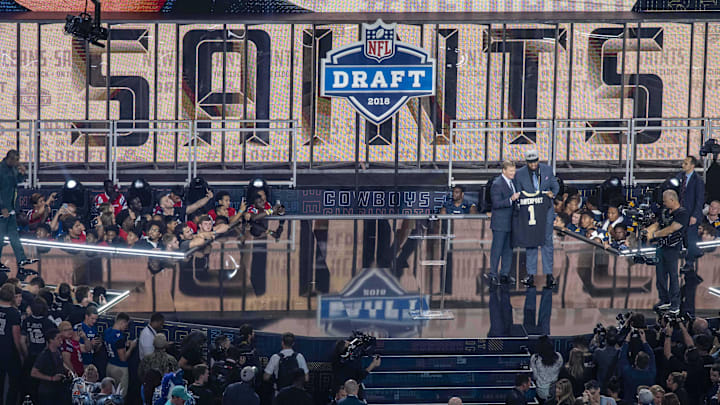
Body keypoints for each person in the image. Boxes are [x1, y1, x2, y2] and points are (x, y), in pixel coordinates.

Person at [514, 149, 560, 288]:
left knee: (547, 242)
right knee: (531, 242)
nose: (533, 164)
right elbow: (517, 192)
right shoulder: (520, 174)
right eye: (530, 162)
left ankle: (549, 274)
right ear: (526, 162)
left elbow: (555, 185)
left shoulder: (547, 170)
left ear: (539, 160)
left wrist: (553, 193)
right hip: (531, 213)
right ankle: (530, 274)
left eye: (535, 161)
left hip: (545, 212)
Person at [647, 190, 688, 314]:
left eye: (665, 201)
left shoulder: (682, 214)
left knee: (673, 276)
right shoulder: (665, 211)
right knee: (660, 276)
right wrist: (647, 231)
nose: (663, 203)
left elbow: (671, 229)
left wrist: (653, 235)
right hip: (660, 247)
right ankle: (665, 300)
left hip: (673, 248)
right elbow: (658, 223)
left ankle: (675, 304)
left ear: (672, 200)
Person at [0, 150, 38, 273]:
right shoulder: (1, 169)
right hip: (2, 209)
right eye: (16, 160)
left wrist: (22, 173)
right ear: (10, 159)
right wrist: (2, 207)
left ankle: (21, 259)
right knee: (0, 238)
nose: (18, 162)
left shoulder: (13, 169)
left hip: (11, 208)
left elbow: (17, 182)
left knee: (14, 235)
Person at [487, 160, 520, 286]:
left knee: (508, 250)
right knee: (497, 249)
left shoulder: (513, 182)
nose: (513, 173)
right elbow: (496, 204)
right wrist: (510, 200)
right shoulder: (497, 184)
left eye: (514, 170)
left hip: (511, 223)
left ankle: (505, 274)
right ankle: (493, 275)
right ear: (504, 171)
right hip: (500, 223)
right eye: (511, 171)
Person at [676, 156, 704, 272]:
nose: (683, 165)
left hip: (691, 215)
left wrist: (695, 215)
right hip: (680, 214)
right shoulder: (679, 177)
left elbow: (699, 200)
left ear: (692, 166)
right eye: (683, 163)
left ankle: (689, 263)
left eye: (686, 163)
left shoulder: (698, 180)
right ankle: (676, 261)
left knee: (691, 239)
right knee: (678, 237)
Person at [31, 328, 69, 405]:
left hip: (57, 389)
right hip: (47, 392)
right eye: (58, 338)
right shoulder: (44, 355)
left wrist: (68, 370)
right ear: (51, 340)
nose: (60, 340)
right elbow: (34, 373)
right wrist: (51, 378)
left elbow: (61, 363)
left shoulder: (58, 351)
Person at [104, 312, 136, 397]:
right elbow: (123, 358)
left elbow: (113, 345)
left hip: (109, 365)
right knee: (120, 396)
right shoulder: (119, 337)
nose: (126, 327)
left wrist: (124, 345)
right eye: (126, 325)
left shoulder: (107, 331)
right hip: (119, 369)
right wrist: (131, 347)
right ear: (122, 322)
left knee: (109, 394)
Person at [618, 329, 655, 403]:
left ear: (635, 362)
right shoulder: (651, 373)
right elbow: (652, 355)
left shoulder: (629, 373)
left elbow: (622, 357)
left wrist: (626, 341)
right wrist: (644, 341)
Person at [0, 283, 22, 405]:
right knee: (13, 383)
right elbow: (16, 337)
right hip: (9, 352)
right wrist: (21, 353)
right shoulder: (14, 313)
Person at [530, 335, 563, 402]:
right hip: (555, 391)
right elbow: (560, 371)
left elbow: (535, 376)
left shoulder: (535, 358)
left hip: (541, 391)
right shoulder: (559, 357)